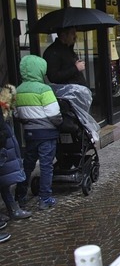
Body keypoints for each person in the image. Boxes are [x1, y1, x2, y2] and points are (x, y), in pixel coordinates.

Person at [14, 55, 63, 210]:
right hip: (47, 134)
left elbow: (16, 114)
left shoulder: (18, 90)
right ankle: (45, 198)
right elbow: (54, 114)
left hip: (29, 134)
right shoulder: (44, 90)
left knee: (27, 165)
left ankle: (20, 196)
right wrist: (60, 123)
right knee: (46, 165)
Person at [0, 84, 31, 223]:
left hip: (5, 146)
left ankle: (13, 209)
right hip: (4, 147)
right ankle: (13, 210)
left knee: (4, 183)